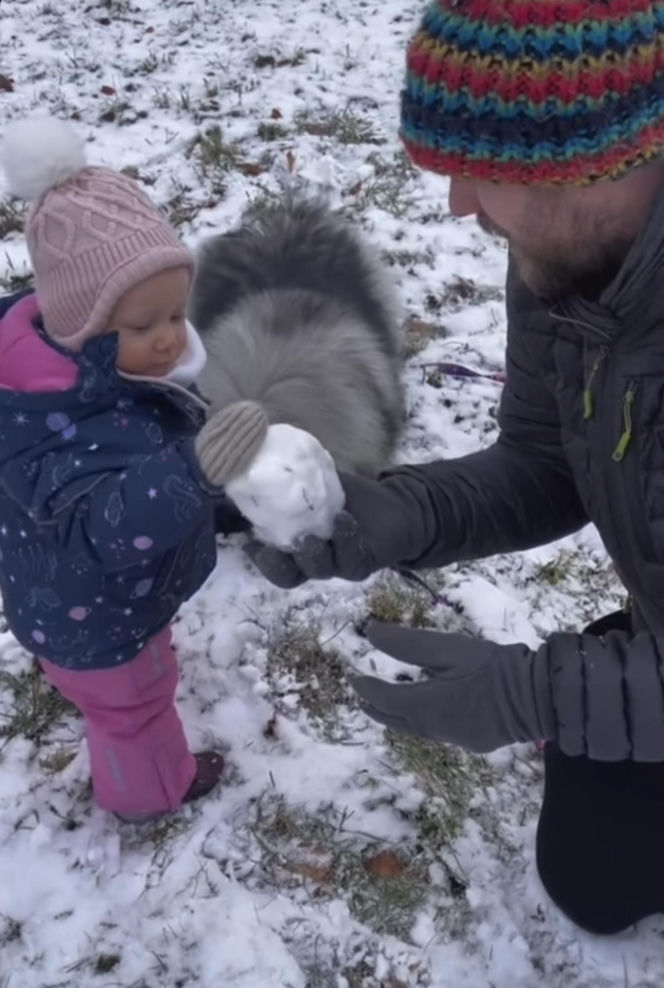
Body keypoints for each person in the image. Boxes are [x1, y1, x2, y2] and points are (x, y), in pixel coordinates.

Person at [246, 0, 664, 935]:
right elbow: (547, 459)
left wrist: (538, 691)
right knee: (592, 883)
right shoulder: (563, 251)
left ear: (608, 151)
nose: (457, 206)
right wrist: (408, 515)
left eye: (486, 172)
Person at [0, 116, 268, 822]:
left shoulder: (58, 379)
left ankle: (75, 679)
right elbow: (102, 524)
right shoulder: (58, 429)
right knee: (134, 711)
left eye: (176, 313)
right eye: (145, 325)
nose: (171, 338)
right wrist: (196, 468)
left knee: (101, 687)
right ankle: (150, 792)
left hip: (60, 598)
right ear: (80, 325)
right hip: (101, 618)